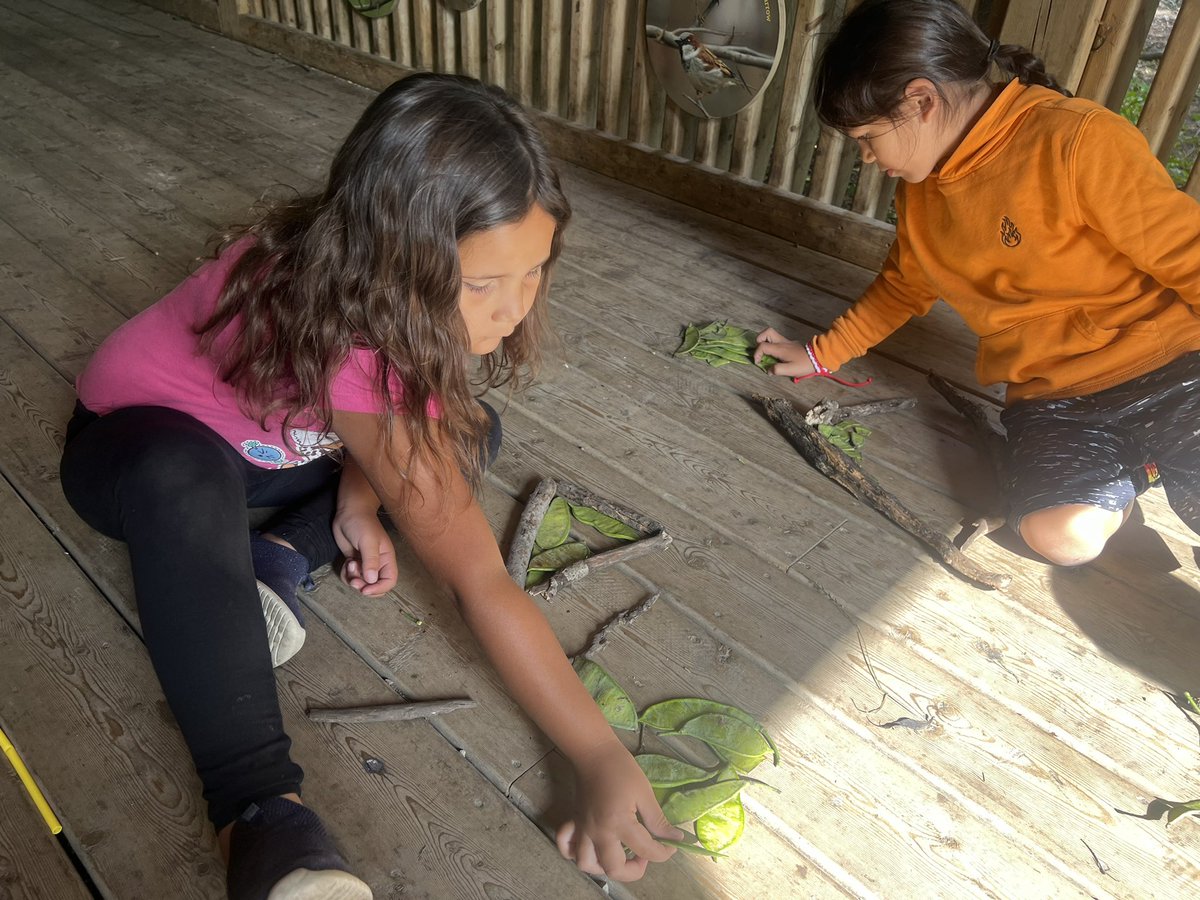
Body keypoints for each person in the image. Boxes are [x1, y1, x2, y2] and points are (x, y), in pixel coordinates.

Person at [60, 73, 680, 900]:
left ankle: (275, 560)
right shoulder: (332, 322)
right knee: (184, 472)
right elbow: (477, 577)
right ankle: (258, 813)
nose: (512, 308)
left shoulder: (383, 297)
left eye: (533, 271)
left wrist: (358, 496)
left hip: (276, 447)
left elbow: (376, 412)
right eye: (484, 283)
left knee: (469, 432)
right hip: (135, 452)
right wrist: (600, 753)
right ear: (399, 264)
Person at [756, 0, 1200, 566]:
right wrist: (822, 353)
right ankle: (1138, 467)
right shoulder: (920, 192)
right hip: (1054, 398)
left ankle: (1151, 453)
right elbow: (901, 287)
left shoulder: (1077, 141)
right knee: (1062, 539)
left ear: (921, 100)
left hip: (1171, 365)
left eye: (867, 136)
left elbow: (1191, 256)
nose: (866, 156)